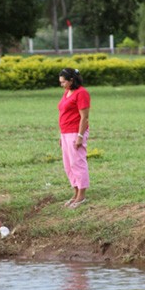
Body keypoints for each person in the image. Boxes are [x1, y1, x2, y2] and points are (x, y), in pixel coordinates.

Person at [58, 68, 90, 209]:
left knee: (77, 162)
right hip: (65, 132)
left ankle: (81, 195)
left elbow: (84, 117)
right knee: (68, 164)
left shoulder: (81, 93)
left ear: (71, 80)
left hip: (75, 132)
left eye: (63, 82)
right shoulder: (67, 92)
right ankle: (75, 192)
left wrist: (80, 136)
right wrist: (61, 135)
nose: (62, 85)